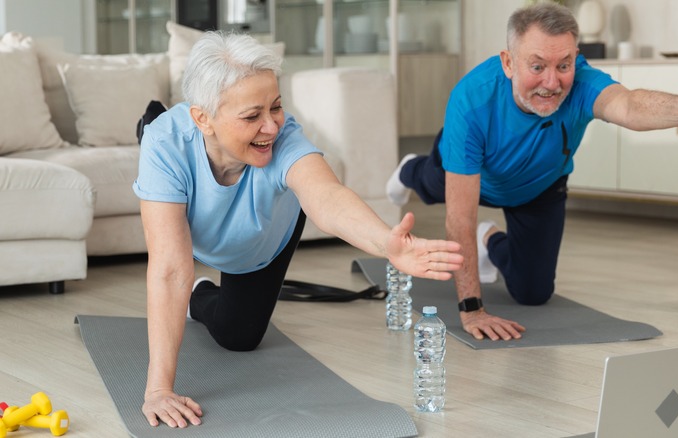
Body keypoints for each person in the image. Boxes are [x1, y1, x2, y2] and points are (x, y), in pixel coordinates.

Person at [133, 31, 464, 428]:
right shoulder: (167, 145)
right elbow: (170, 269)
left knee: (240, 338)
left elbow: (327, 196)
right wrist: (158, 389)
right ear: (203, 117)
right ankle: (151, 119)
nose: (271, 126)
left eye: (276, 107)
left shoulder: (283, 138)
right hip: (191, 205)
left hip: (261, 241)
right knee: (158, 136)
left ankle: (204, 295)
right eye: (252, 116)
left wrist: (384, 242)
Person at [386, 3, 678, 342]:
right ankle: (410, 169)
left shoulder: (583, 84)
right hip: (474, 175)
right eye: (537, 66)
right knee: (432, 184)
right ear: (509, 63)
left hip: (538, 186)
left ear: (576, 59)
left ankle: (490, 241)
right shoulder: (472, 100)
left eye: (563, 65)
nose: (552, 82)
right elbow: (460, 219)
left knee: (533, 293)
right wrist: (471, 310)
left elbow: (629, 105)